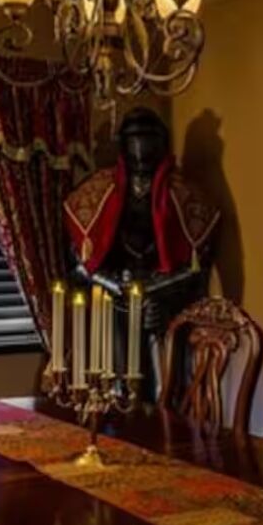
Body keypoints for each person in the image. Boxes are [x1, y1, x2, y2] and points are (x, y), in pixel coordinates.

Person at [63, 109, 220, 388]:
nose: (141, 149)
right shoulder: (97, 191)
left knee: (166, 386)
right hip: (113, 299)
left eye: (148, 139)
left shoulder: (186, 195)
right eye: (135, 139)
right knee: (117, 382)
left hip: (163, 299)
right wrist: (114, 285)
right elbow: (79, 263)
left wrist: (159, 291)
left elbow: (199, 267)